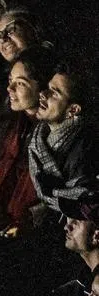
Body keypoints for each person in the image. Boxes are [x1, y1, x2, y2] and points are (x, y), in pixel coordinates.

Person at [0, 49, 51, 235]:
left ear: (42, 88)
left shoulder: (53, 135)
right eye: (10, 80)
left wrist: (29, 219)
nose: (9, 89)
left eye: (20, 83)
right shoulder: (7, 124)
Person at [28, 59, 99, 211]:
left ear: (73, 110)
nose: (42, 94)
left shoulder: (86, 149)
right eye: (47, 88)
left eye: (54, 93)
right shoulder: (36, 138)